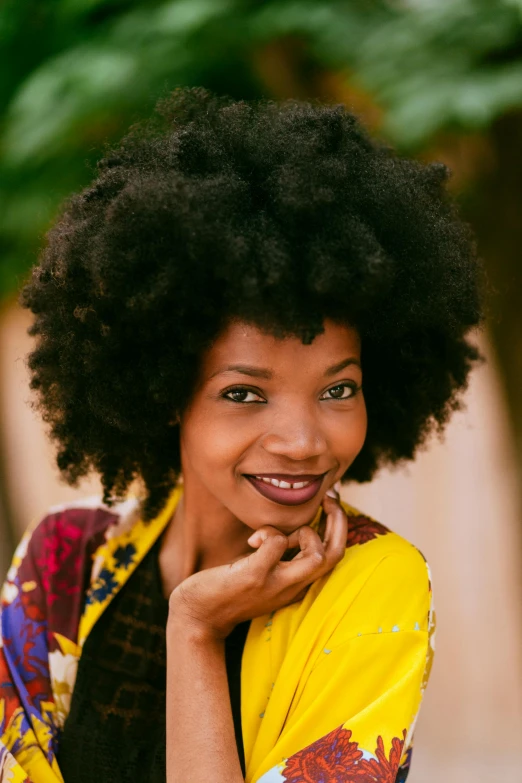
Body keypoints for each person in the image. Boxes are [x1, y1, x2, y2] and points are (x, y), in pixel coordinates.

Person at [0, 87, 482, 783]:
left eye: (338, 388)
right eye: (244, 393)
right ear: (167, 393)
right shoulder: (61, 564)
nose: (302, 440)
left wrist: (194, 629)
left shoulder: (374, 588)